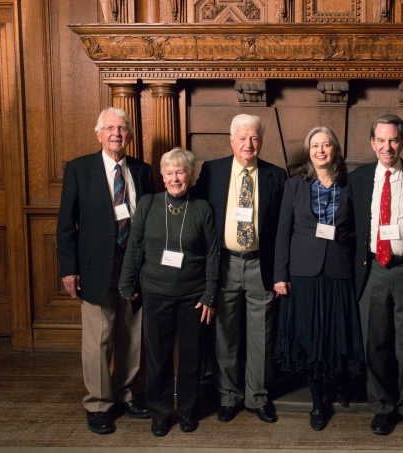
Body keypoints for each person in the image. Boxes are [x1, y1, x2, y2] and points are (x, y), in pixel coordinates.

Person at [56, 107, 154, 434]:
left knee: (131, 335)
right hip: (95, 267)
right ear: (98, 134)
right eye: (110, 128)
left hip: (133, 266)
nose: (116, 133)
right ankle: (98, 403)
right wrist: (69, 270)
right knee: (99, 339)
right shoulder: (79, 169)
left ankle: (125, 394)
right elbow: (66, 225)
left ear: (129, 135)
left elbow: (150, 222)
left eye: (122, 128)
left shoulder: (142, 171)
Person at [193, 114, 287, 424]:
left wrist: (280, 274)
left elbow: (283, 230)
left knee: (262, 335)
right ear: (231, 140)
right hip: (225, 263)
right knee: (225, 335)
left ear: (261, 141)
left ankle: (257, 396)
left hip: (261, 264)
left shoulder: (277, 175)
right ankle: (229, 396)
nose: (249, 144)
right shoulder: (213, 171)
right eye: (242, 138)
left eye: (255, 138)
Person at [118, 148, 217, 437]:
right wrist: (127, 282)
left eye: (181, 172)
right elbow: (135, 245)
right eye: (170, 173)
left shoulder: (202, 209)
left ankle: (187, 411)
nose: (176, 178)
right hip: (156, 293)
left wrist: (210, 294)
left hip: (193, 297)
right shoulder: (148, 204)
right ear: (162, 177)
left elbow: (213, 255)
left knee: (190, 358)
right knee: (158, 358)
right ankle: (160, 413)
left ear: (191, 175)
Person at [348, 114, 403, 435]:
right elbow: (347, 228)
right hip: (371, 271)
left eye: (394, 140)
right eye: (381, 140)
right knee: (374, 344)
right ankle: (382, 407)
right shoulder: (357, 179)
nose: (388, 146)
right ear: (372, 143)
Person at [274, 126, 364, 431]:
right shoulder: (295, 185)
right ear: (309, 150)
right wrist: (279, 275)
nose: (321, 150)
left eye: (327, 145)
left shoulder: (351, 185)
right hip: (302, 272)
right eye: (315, 145)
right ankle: (316, 404)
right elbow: (282, 232)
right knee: (310, 338)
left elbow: (360, 228)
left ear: (335, 150)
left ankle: (341, 385)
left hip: (339, 269)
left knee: (336, 334)